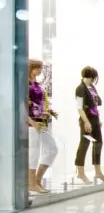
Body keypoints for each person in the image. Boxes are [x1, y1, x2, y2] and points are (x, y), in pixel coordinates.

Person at [27, 59, 58, 194]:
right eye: (37, 68)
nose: (39, 70)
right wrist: (31, 122)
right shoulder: (24, 85)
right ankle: (31, 183)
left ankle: (38, 179)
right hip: (31, 123)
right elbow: (21, 106)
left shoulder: (37, 85)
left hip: (42, 122)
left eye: (40, 68)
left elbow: (40, 102)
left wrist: (49, 111)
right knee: (33, 153)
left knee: (52, 149)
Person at [74, 66, 104, 184]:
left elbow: (96, 104)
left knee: (98, 142)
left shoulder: (92, 88)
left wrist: (98, 120)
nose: (92, 80)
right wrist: (86, 122)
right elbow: (79, 107)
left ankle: (98, 171)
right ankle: (80, 173)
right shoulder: (80, 88)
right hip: (86, 120)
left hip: (95, 119)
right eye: (91, 77)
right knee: (84, 144)